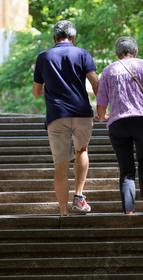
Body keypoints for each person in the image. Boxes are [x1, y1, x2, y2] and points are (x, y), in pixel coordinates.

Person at [32, 20, 99, 217]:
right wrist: (103, 109)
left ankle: (63, 213)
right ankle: (78, 196)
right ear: (74, 37)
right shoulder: (83, 54)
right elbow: (96, 84)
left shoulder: (43, 57)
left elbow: (36, 93)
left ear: (54, 38)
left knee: (60, 166)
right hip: (82, 113)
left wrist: (50, 87)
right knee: (82, 150)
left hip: (56, 115)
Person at [95, 36, 143, 214]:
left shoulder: (108, 71)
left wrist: (101, 116)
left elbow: (101, 103)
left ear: (117, 54)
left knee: (126, 167)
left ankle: (129, 211)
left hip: (118, 124)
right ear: (135, 52)